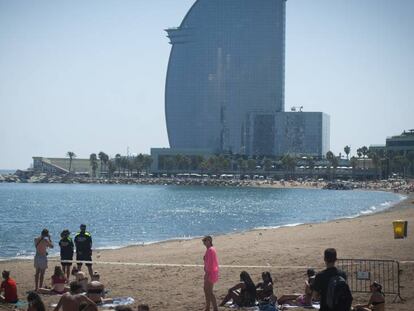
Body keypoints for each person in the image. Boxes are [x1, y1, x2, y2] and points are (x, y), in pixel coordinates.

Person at [202, 235, 219, 311]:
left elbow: (211, 264)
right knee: (206, 290)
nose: (204, 242)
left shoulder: (210, 250)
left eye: (205, 241)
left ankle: (214, 308)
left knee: (208, 291)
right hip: (212, 272)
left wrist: (207, 274)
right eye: (203, 241)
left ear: (209, 241)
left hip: (210, 273)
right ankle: (208, 307)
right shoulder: (210, 249)